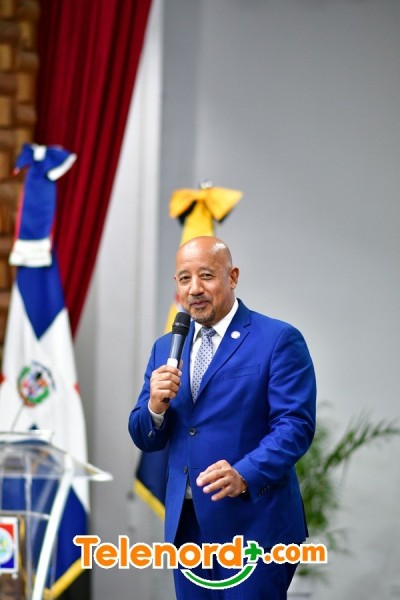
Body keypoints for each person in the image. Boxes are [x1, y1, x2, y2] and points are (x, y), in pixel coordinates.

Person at [129, 236, 316, 599]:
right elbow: (144, 435)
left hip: (255, 525)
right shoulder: (165, 347)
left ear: (232, 277)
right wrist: (155, 407)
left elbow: (295, 426)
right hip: (187, 528)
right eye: (184, 278)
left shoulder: (277, 339)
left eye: (206, 275)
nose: (194, 289)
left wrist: (245, 473)